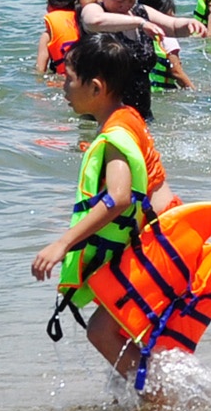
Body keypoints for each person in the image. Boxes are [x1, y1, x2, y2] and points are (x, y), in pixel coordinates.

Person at [29, 30, 181, 388]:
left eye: (68, 79)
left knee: (101, 330)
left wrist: (62, 244)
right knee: (121, 330)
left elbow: (119, 197)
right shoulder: (126, 117)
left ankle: (158, 403)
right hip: (168, 241)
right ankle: (151, 399)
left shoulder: (116, 136)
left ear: (96, 88)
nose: (62, 87)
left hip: (164, 246)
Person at [80, 0, 201, 90]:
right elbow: (94, 21)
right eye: (120, 0)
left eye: (131, 0)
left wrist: (189, 24)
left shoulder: (140, 12)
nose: (126, 6)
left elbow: (173, 27)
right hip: (104, 103)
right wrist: (140, 23)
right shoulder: (94, 9)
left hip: (140, 101)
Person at [135, 0, 197, 90]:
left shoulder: (137, 34)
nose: (173, 14)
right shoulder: (167, 37)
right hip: (163, 92)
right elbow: (176, 72)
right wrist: (195, 91)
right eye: (171, 11)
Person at [35, 0, 82, 77]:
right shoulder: (84, 22)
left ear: (50, 5)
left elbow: (40, 70)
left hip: (64, 83)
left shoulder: (47, 36)